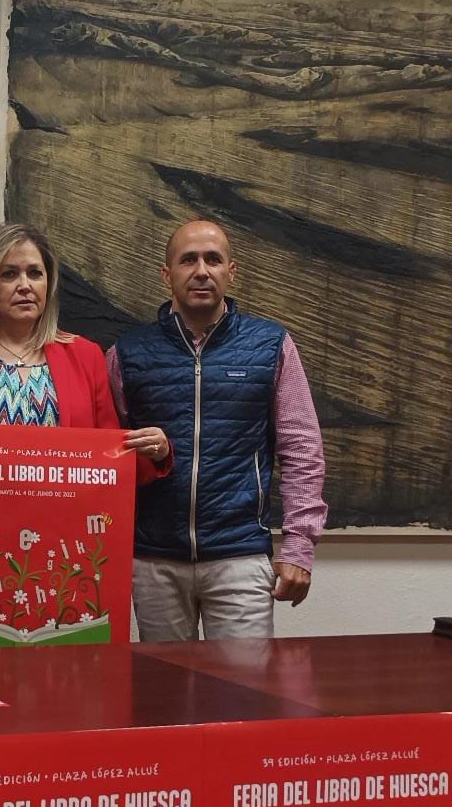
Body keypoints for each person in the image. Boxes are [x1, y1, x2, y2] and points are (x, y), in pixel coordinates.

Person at [107, 219, 327, 641]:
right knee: (166, 699)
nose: (202, 270)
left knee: (243, 699)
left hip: (239, 556)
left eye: (213, 259)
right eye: (188, 260)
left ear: (232, 271)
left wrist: (300, 546)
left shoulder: (271, 345)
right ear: (166, 274)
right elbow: (104, 453)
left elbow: (302, 449)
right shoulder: (127, 353)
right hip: (154, 561)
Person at [0, 223, 171, 485]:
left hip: (63, 520)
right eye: (9, 274)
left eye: (35, 273)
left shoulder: (86, 356)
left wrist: (155, 453)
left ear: (48, 284)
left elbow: (108, 458)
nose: (25, 285)